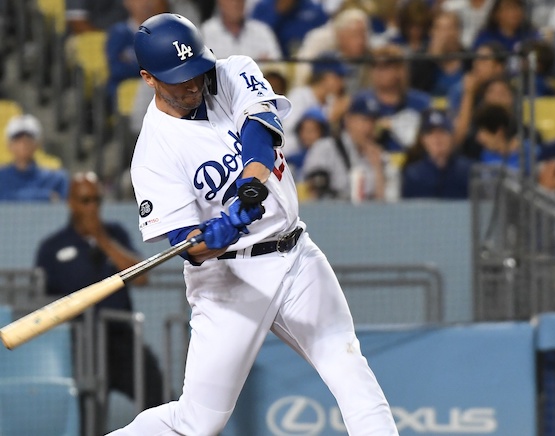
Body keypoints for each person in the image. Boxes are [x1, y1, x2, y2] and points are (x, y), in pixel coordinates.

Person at [108, 13, 398, 435]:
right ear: (148, 78)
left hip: (296, 255)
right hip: (229, 281)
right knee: (198, 423)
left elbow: (261, 128)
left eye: (196, 70)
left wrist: (248, 188)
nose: (193, 83)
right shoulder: (151, 154)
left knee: (347, 362)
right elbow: (186, 244)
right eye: (179, 78)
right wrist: (213, 238)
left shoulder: (231, 72)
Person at [34, 172, 164, 432]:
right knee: (82, 415)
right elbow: (42, 304)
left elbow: (140, 278)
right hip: (78, 344)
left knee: (157, 393)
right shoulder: (52, 247)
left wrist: (102, 240)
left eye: (96, 200)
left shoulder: (115, 234)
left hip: (121, 338)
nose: (92, 207)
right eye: (85, 200)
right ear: (71, 202)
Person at [301, 95, 395, 201]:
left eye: (373, 121)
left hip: (369, 216)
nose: (369, 127)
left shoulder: (382, 157)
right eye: (364, 120)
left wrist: (378, 169)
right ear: (348, 120)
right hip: (332, 215)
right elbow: (316, 193)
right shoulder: (324, 149)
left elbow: (387, 206)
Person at [352, 43, 431, 152]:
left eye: (385, 66)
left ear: (399, 70)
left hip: (411, 162)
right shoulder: (360, 101)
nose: (378, 71)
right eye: (374, 66)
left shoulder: (421, 102)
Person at [401, 108, 472, 199]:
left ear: (451, 137)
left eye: (442, 132)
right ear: (423, 139)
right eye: (430, 133)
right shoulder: (413, 175)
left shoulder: (468, 171)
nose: (437, 138)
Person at [0, 114, 68, 202]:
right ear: (9, 145)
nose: (23, 143)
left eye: (29, 138)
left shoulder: (56, 179)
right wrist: (46, 197)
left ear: (38, 143)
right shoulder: (1, 178)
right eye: (17, 138)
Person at [200, 0, 282, 61]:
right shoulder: (204, 33)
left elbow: (277, 68)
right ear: (219, 2)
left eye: (239, 0)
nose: (236, 3)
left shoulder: (263, 32)